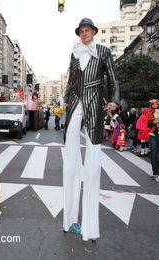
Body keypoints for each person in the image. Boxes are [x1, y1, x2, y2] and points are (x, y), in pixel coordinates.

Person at [62, 18, 119, 242]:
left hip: (94, 100)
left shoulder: (103, 51)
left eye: (88, 30)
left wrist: (114, 100)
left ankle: (90, 227)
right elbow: (70, 80)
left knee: (93, 158)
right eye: (82, 31)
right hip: (75, 100)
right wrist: (65, 100)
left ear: (94, 32)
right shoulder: (74, 52)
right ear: (79, 34)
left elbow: (113, 78)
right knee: (70, 161)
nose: (84, 34)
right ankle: (69, 220)